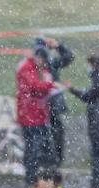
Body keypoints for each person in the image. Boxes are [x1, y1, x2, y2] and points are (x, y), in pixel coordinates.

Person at [15, 47, 63, 183]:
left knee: (46, 148)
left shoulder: (39, 68)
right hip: (29, 115)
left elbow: (42, 84)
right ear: (38, 58)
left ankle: (44, 177)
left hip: (40, 114)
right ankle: (31, 178)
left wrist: (49, 85)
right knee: (32, 149)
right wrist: (51, 86)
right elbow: (34, 86)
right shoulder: (26, 68)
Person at [68, 54, 99, 188]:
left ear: (96, 66)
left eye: (91, 65)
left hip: (98, 123)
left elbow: (87, 96)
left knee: (98, 153)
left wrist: (72, 89)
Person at [35, 38, 74, 166]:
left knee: (46, 131)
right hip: (51, 104)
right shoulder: (52, 62)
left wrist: (58, 46)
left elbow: (69, 57)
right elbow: (69, 57)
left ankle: (47, 159)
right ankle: (55, 159)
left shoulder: (36, 65)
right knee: (54, 131)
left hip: (44, 105)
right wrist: (58, 46)